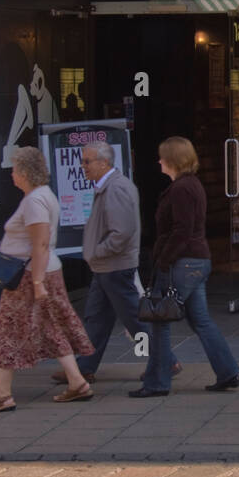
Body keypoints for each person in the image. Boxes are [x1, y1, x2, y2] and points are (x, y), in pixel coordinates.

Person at [0, 147, 95, 413]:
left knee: (8, 330)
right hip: (41, 272)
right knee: (51, 326)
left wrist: (38, 282)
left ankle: (2, 395)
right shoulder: (42, 196)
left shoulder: (34, 201)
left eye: (16, 170)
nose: (12, 175)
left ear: (26, 172)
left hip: (30, 276)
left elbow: (39, 244)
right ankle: (77, 382)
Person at [54, 142, 180, 388]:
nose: (83, 166)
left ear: (104, 162)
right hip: (105, 267)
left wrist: (98, 252)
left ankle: (166, 361)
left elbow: (121, 232)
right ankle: (85, 367)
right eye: (83, 161)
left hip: (114, 267)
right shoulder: (108, 187)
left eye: (87, 161)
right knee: (96, 318)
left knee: (135, 319)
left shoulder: (116, 188)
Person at [132, 136, 239, 397]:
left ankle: (157, 383)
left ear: (172, 159)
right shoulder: (191, 185)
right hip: (196, 261)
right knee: (200, 320)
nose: (158, 161)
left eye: (162, 156)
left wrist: (164, 261)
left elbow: (182, 230)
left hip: (183, 262)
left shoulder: (182, 189)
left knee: (160, 320)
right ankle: (227, 371)